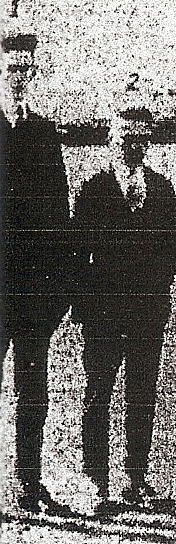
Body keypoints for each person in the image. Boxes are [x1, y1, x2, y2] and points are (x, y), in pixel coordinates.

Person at [75, 103, 176, 513]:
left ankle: (136, 477)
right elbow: (78, 254)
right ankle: (95, 481)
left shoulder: (161, 189)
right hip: (103, 311)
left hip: (147, 309)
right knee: (98, 390)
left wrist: (156, 296)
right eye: (124, 137)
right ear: (110, 139)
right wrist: (88, 307)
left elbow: (171, 248)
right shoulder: (94, 189)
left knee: (141, 392)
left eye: (140, 138)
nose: (131, 145)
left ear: (148, 143)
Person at [3, 32, 76, 515]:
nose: (20, 79)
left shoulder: (44, 134)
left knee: (33, 388)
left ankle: (28, 482)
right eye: (12, 70)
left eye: (28, 71)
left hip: (30, 291)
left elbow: (59, 219)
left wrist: (58, 290)